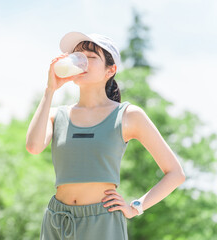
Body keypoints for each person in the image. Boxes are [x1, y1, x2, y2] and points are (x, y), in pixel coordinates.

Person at [25, 31, 186, 240]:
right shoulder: (57, 115)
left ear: (111, 70)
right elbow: (33, 147)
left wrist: (136, 207)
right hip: (57, 220)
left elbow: (175, 173)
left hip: (103, 223)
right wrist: (50, 90)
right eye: (77, 56)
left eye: (91, 58)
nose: (82, 62)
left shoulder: (128, 115)